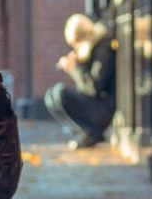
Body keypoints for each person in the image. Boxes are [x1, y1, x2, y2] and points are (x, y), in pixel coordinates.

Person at [44, 14, 115, 148]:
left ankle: (93, 133)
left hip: (105, 108)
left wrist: (74, 68)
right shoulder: (93, 49)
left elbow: (94, 87)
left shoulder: (102, 49)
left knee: (60, 92)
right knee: (50, 96)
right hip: (98, 105)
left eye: (76, 44)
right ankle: (86, 133)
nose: (75, 48)